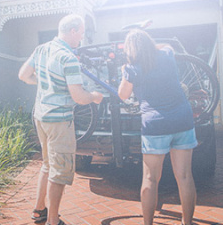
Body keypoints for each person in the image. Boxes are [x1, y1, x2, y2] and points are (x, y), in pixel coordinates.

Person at [18, 14, 103, 225]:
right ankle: (53, 220)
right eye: (81, 33)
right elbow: (79, 97)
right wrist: (94, 96)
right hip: (60, 121)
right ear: (73, 31)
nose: (81, 38)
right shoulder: (68, 58)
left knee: (47, 164)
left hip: (41, 117)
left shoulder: (42, 49)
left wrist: (46, 82)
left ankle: (39, 211)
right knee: (60, 171)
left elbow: (23, 75)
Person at [118, 29, 197, 225]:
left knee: (150, 179)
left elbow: (122, 95)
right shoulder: (167, 54)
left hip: (155, 125)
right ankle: (187, 223)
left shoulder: (132, 68)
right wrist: (151, 47)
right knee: (185, 176)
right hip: (182, 120)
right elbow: (166, 46)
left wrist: (124, 73)